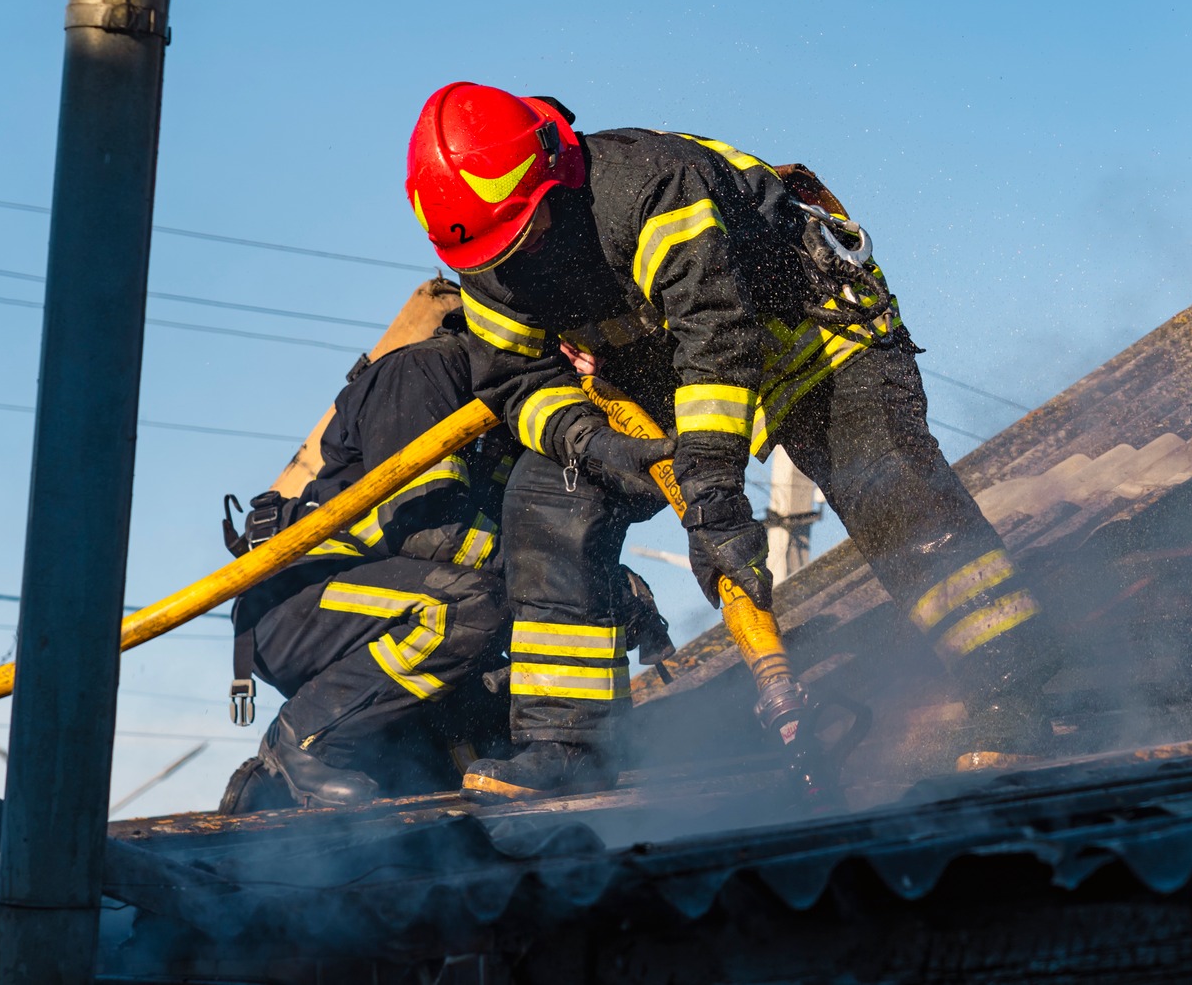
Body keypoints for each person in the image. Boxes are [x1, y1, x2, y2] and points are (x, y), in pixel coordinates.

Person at [402, 83, 1062, 801]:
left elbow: (716, 339)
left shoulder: (648, 186)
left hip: (808, 338)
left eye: (524, 232)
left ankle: (1017, 686)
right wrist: (594, 446)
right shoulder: (487, 256)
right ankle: (568, 741)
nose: (517, 258)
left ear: (552, 171)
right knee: (548, 500)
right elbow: (516, 383)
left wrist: (713, 498)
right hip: (667, 383)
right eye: (499, 249)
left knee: (885, 480)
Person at [218, 310, 674, 809]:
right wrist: (580, 580)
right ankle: (304, 740)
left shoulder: (515, 408)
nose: (586, 362)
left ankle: (385, 753)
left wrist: (586, 585)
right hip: (300, 603)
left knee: (492, 740)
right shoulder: (423, 372)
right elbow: (426, 530)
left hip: (393, 608)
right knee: (469, 605)